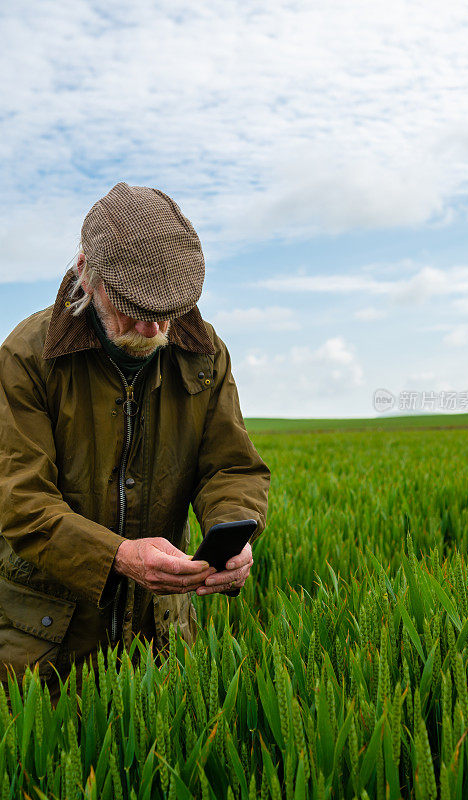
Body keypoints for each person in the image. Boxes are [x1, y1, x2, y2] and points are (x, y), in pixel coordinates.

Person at [0, 182, 270, 700]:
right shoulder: (26, 357)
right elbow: (23, 505)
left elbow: (232, 468)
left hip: (161, 643)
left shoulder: (204, 353)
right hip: (42, 641)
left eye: (167, 309)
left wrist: (232, 535)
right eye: (133, 306)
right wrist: (118, 555)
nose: (153, 327)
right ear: (86, 273)